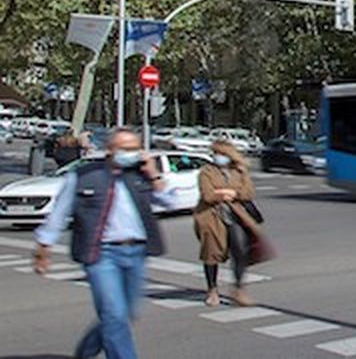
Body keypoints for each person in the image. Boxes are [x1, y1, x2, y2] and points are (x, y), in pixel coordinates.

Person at [31, 127, 179, 359]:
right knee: (113, 314)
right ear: (110, 150)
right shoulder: (84, 175)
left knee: (126, 313)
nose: (132, 153)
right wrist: (44, 248)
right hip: (101, 254)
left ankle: (86, 350)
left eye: (135, 148)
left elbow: (170, 202)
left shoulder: (140, 174)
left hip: (136, 252)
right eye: (125, 148)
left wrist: (154, 174)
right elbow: (59, 213)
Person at [194, 140, 263, 306]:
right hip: (211, 216)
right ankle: (212, 290)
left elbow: (248, 193)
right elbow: (208, 195)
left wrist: (230, 192)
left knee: (240, 251)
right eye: (215, 153)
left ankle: (239, 289)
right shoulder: (206, 172)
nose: (217, 157)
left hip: (236, 216)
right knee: (211, 253)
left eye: (221, 154)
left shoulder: (239, 171)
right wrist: (228, 193)